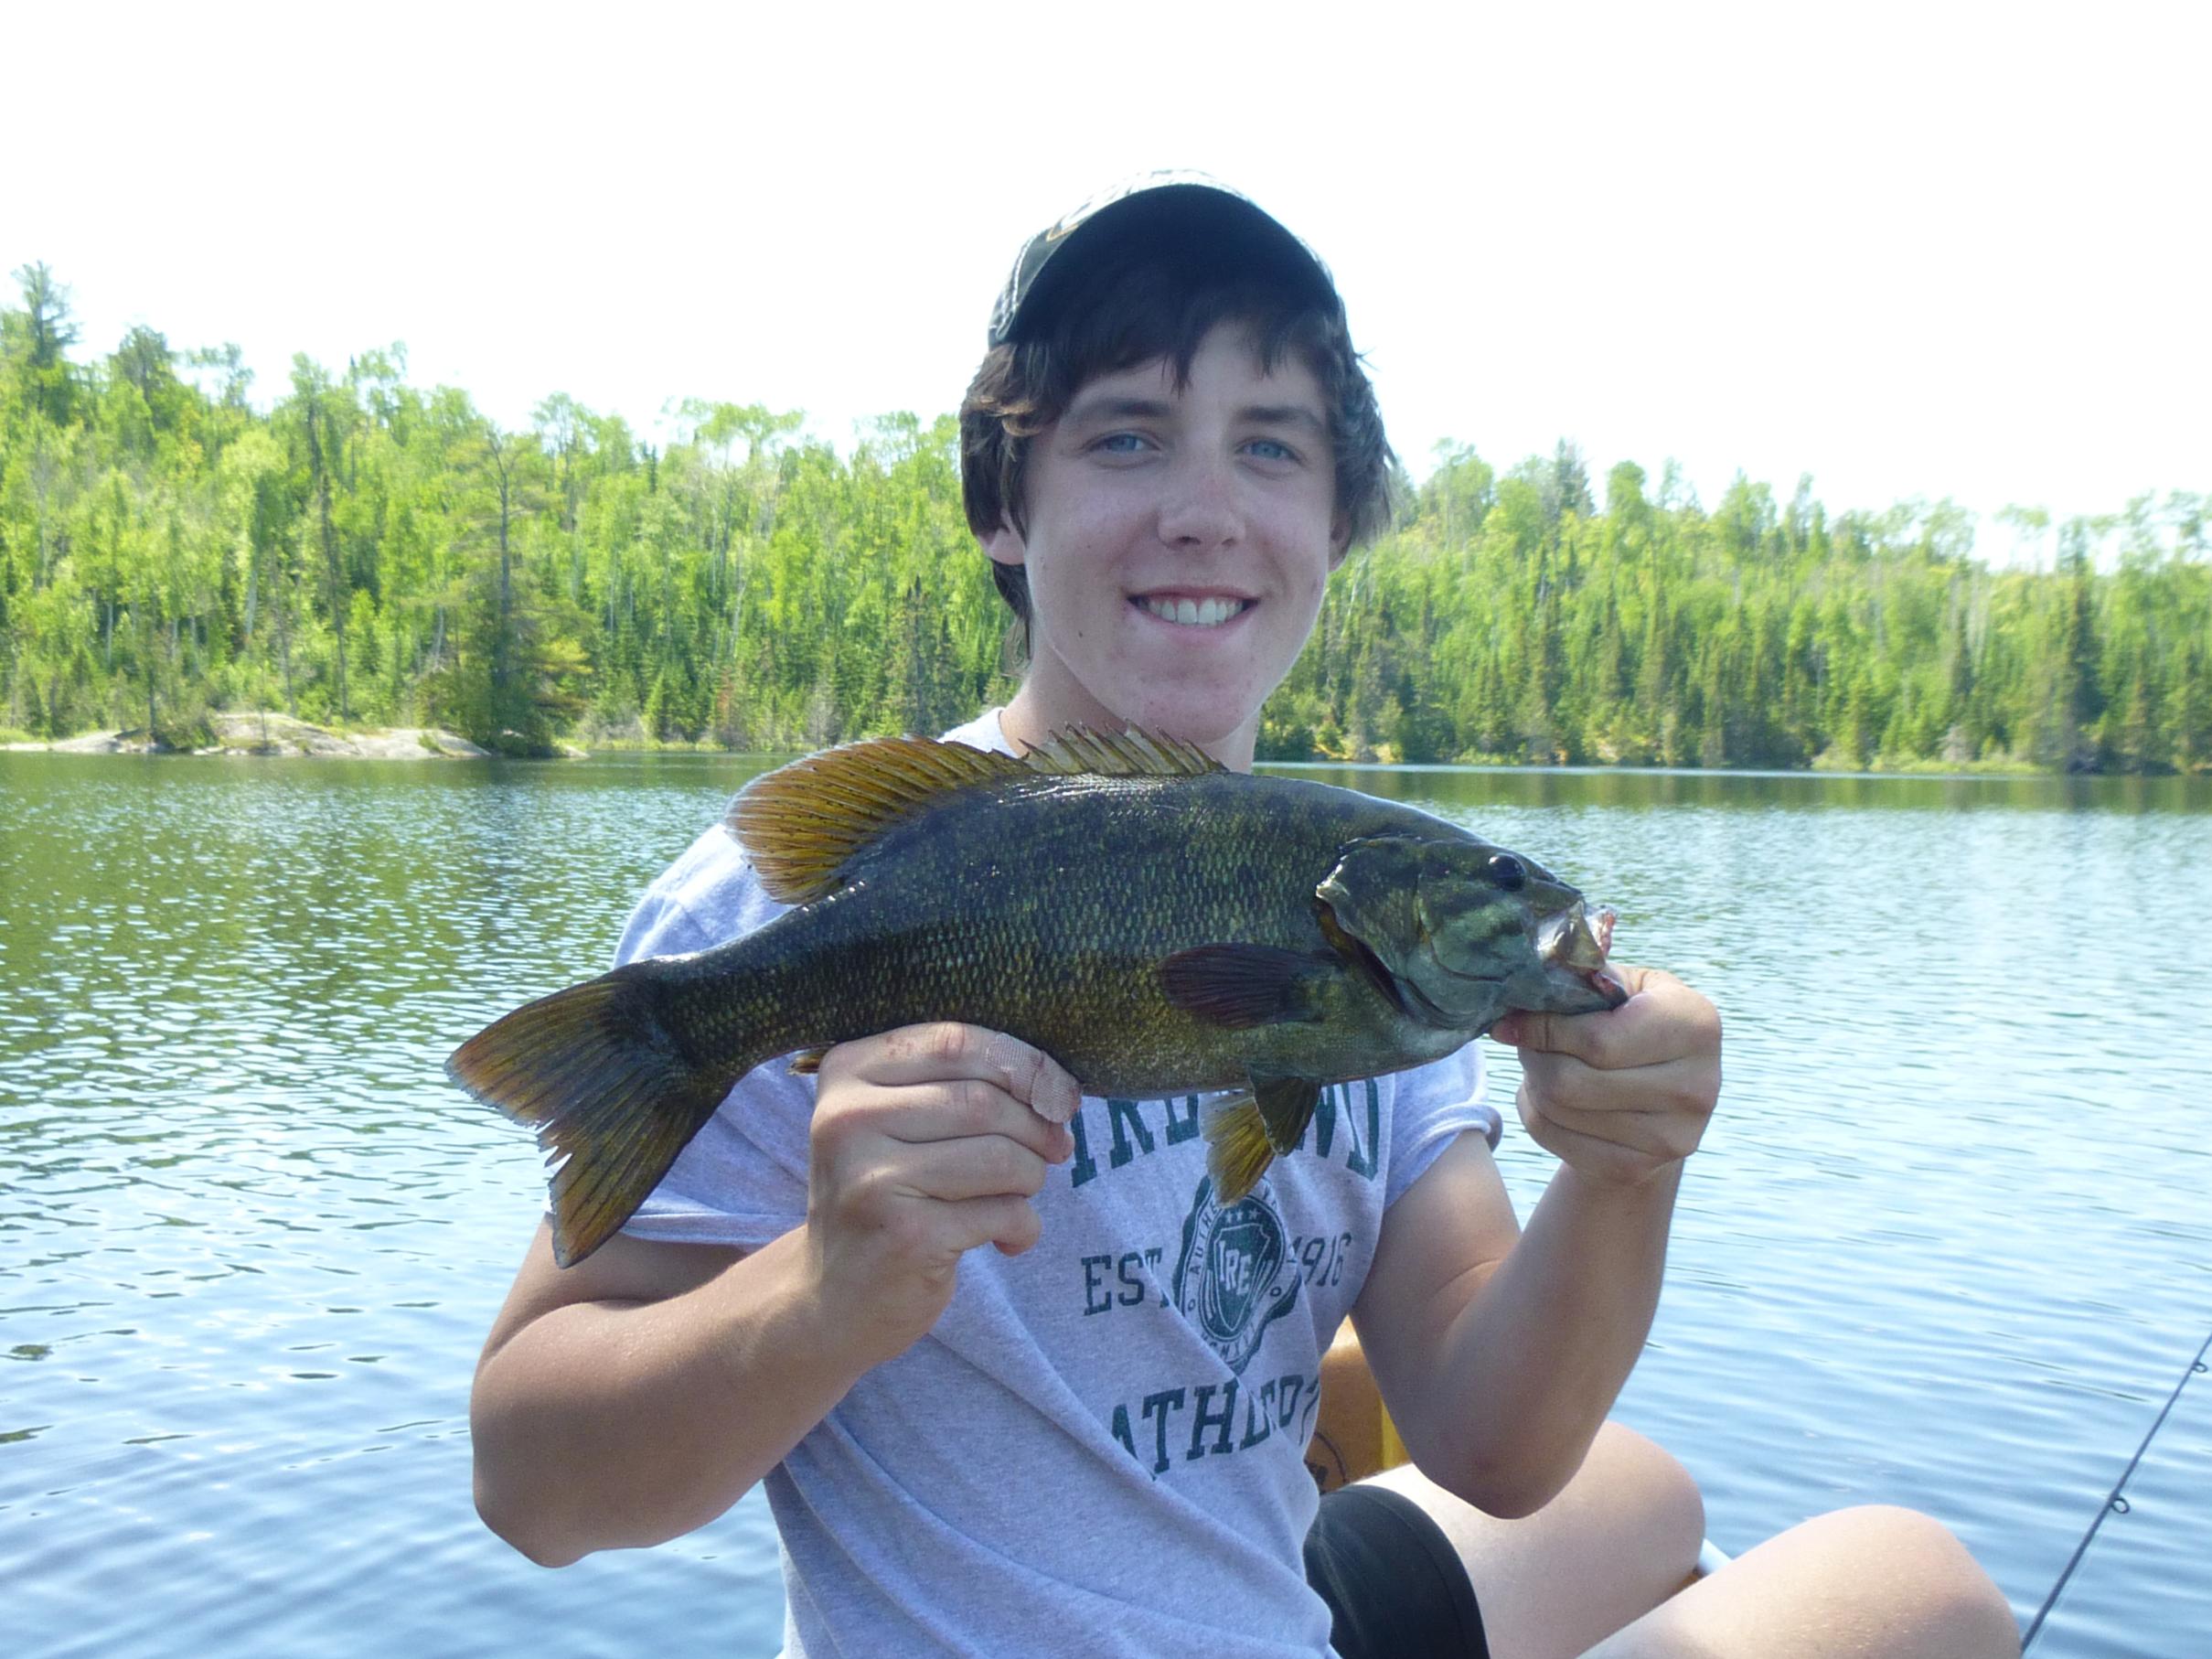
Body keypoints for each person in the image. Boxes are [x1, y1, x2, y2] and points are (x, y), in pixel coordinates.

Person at [470, 175, 2019, 1658]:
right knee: (1859, 1585)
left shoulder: (1377, 955)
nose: (1205, 509)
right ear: (1010, 507)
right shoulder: (806, 892)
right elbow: (533, 1485)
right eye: (1130, 438)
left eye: (1272, 450)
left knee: (1756, 1528)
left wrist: (1624, 1170)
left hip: (1261, 1595)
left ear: (1337, 525)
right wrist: (818, 1294)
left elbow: (1498, 1441)